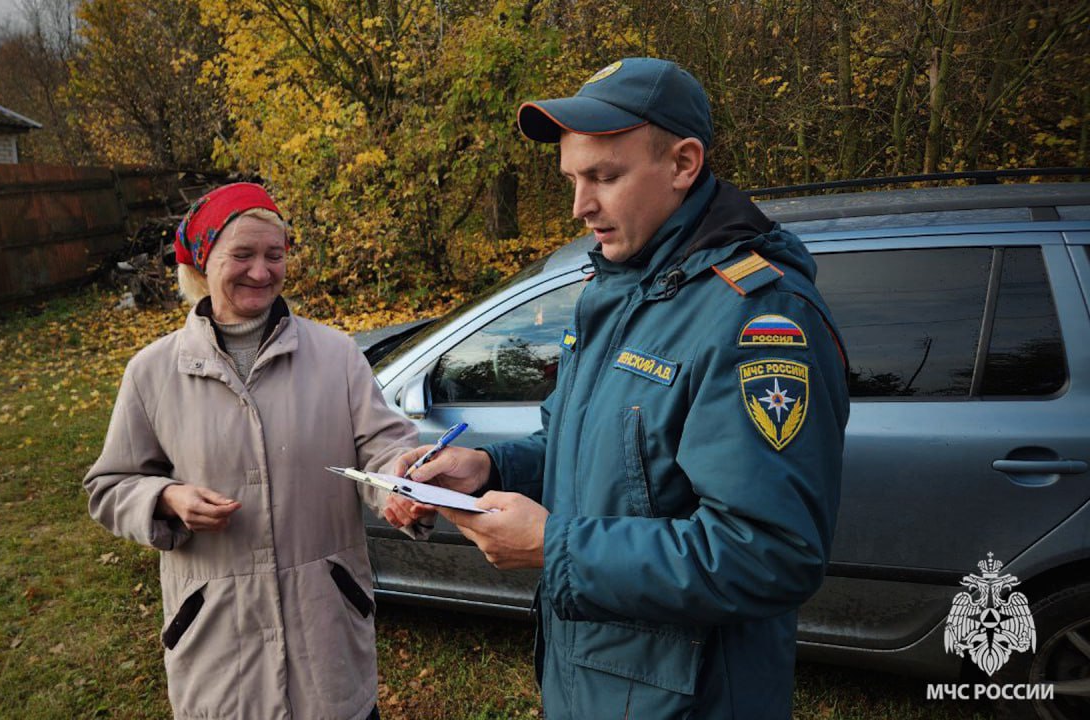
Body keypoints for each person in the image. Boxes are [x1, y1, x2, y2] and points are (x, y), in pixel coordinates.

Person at [383, 58, 850, 719]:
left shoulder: (756, 316)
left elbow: (771, 552)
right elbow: (596, 454)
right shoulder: (615, 289)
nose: (581, 206)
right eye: (573, 179)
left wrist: (556, 547)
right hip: (592, 687)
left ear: (684, 164)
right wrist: (487, 468)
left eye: (604, 176)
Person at [85, 182, 420, 720]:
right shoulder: (152, 372)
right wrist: (166, 498)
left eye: (274, 254)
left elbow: (385, 447)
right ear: (203, 261)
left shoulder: (337, 356)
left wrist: (403, 478)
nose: (261, 271)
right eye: (242, 254)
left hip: (327, 645)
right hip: (220, 652)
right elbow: (110, 486)